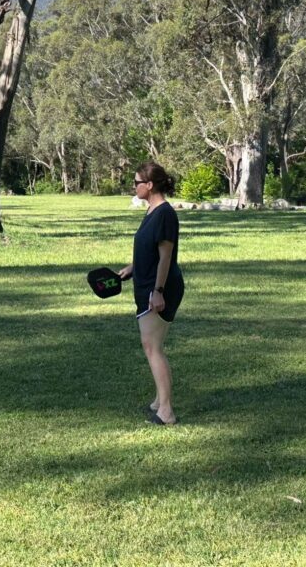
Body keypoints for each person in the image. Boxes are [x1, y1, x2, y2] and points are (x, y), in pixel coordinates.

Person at [117, 161, 184, 425]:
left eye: (136, 183)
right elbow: (151, 250)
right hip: (145, 283)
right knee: (151, 346)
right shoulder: (152, 212)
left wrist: (158, 291)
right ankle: (159, 401)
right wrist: (132, 268)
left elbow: (166, 256)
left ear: (150, 185)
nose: (134, 187)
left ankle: (166, 412)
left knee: (152, 346)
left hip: (160, 287)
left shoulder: (165, 213)